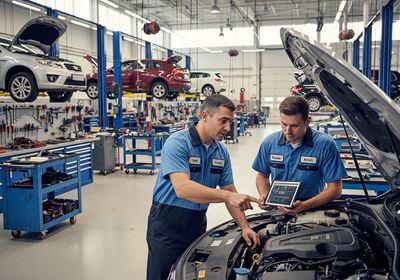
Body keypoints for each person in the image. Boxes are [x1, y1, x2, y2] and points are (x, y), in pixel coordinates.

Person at [147, 94, 261, 280]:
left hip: (197, 222)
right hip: (167, 222)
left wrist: (245, 227)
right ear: (205, 116)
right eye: (223, 121)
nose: (227, 128)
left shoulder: (221, 151)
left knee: (190, 274)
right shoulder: (177, 143)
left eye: (230, 122)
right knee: (162, 275)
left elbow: (230, 192)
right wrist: (226, 196)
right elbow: (182, 188)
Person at [252, 96, 347, 216]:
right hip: (278, 208)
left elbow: (335, 189)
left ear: (307, 121)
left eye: (294, 126)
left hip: (312, 208)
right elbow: (262, 175)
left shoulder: (325, 145)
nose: (288, 131)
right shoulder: (269, 142)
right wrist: (265, 196)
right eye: (284, 124)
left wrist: (304, 206)